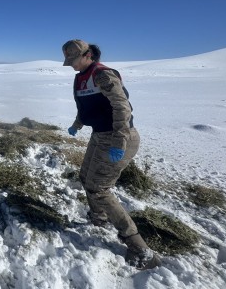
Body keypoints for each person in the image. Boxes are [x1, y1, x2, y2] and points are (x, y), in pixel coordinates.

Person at [62, 39, 161, 270]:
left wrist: (119, 140)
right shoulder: (81, 77)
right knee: (86, 177)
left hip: (118, 137)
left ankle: (139, 248)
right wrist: (77, 124)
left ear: (88, 55)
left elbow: (122, 107)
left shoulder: (103, 75)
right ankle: (99, 218)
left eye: (74, 60)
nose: (72, 65)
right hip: (100, 135)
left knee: (99, 188)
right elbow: (86, 107)